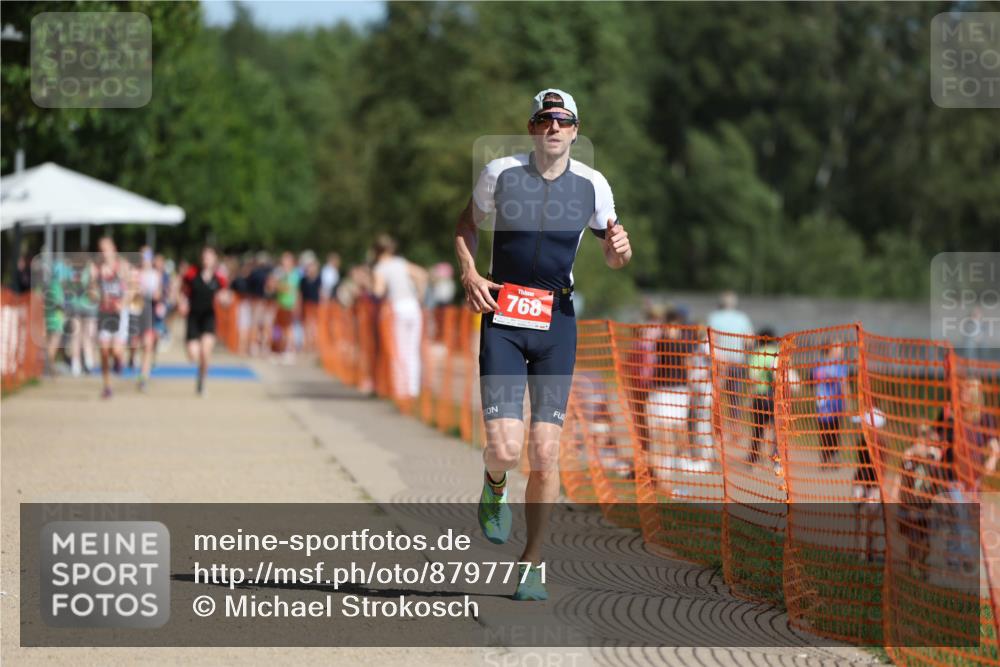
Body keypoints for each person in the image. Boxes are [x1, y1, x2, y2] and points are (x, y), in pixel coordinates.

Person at [455, 88, 631, 600]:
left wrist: (621, 250)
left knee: (545, 452)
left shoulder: (594, 185)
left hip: (557, 322)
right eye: (544, 119)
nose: (553, 126)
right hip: (504, 317)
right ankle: (493, 486)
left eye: (563, 120)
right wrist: (470, 272)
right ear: (532, 129)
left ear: (576, 130)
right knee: (507, 449)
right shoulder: (500, 173)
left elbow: (615, 251)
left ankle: (532, 563)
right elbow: (466, 225)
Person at [372, 234, 428, 401]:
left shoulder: (380, 268)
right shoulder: (401, 263)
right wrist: (420, 295)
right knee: (412, 349)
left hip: (396, 308)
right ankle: (413, 389)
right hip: (413, 307)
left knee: (399, 350)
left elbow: (378, 292)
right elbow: (422, 275)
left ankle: (400, 388)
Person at [180, 246, 229, 395]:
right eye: (204, 256)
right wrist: (182, 302)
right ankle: (194, 356)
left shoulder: (219, 278)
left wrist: (224, 299)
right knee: (193, 355)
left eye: (209, 256)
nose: (206, 259)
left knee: (205, 352)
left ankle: (201, 381)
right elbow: (182, 291)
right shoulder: (191, 274)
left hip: (208, 316)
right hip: (193, 317)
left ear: (214, 259)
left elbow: (225, 296)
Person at [706, 291, 754, 419]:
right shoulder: (742, 318)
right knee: (735, 398)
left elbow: (710, 340)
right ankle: (734, 430)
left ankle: (715, 427)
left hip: (719, 363)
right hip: (736, 362)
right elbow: (749, 341)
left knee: (715, 397)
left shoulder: (714, 317)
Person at [94, 237, 130, 399]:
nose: (104, 253)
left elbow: (132, 290)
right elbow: (92, 291)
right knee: (103, 351)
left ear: (113, 249)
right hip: (104, 312)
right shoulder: (97, 269)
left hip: (119, 313)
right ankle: (107, 386)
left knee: (115, 351)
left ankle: (118, 359)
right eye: (101, 250)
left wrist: (122, 302)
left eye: (106, 249)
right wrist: (99, 298)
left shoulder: (122, 267)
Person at [746, 328, 779, 470]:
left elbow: (752, 378)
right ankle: (773, 459)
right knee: (774, 429)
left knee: (758, 429)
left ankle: (756, 459)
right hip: (774, 396)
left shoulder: (756, 355)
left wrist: (748, 397)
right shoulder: (777, 352)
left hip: (759, 395)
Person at [814, 344, 851, 464]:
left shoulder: (840, 366)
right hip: (823, 404)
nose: (841, 352)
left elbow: (844, 384)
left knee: (834, 432)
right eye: (838, 349)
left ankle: (832, 457)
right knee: (825, 432)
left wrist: (847, 402)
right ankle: (826, 457)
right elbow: (813, 380)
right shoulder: (820, 365)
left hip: (836, 405)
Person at [134, 246, 162, 391]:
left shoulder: (154, 275)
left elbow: (158, 295)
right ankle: (137, 365)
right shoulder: (135, 273)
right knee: (137, 344)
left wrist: (147, 293)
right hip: (136, 311)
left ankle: (144, 376)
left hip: (149, 311)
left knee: (148, 344)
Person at [272, 252, 299, 363]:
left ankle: (290, 351)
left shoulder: (293, 274)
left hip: (289, 305)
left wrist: (278, 285)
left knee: (288, 329)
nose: (284, 263)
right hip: (281, 303)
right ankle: (281, 350)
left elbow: (288, 288)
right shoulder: (282, 273)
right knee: (281, 329)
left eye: (286, 260)